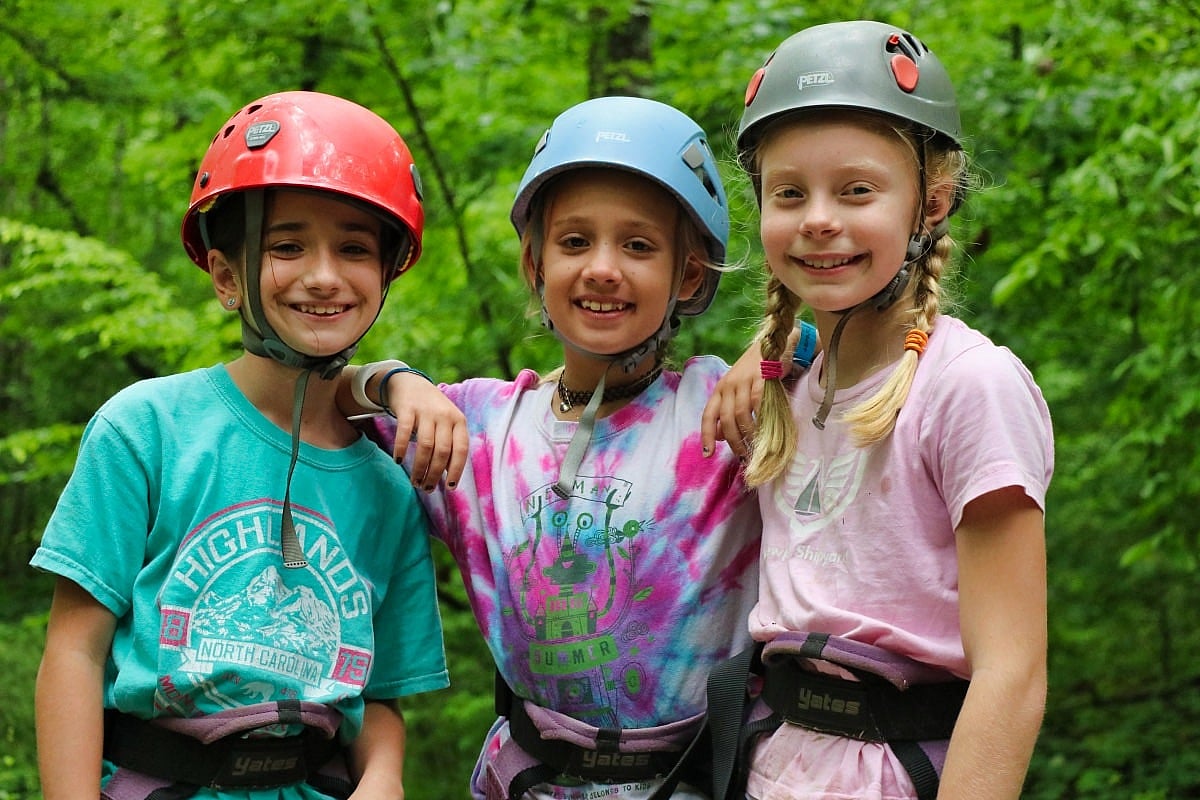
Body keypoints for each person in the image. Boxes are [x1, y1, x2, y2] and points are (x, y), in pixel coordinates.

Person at [341, 95, 786, 800]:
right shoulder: (479, 427)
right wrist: (392, 380)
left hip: (685, 779)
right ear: (535, 263)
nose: (602, 268)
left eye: (638, 246)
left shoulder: (720, 413)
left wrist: (783, 344)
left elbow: (859, 359)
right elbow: (326, 395)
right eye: (575, 242)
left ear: (690, 274)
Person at [31, 91, 449, 800]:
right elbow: (75, 649)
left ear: (385, 273)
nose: (324, 275)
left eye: (353, 248)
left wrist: (384, 775)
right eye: (287, 246)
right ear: (227, 277)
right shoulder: (147, 429)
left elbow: (377, 693)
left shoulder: (387, 485)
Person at [703, 20, 1054, 800]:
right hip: (774, 761)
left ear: (931, 204)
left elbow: (1012, 671)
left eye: (856, 190)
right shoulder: (788, 390)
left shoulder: (969, 387)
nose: (817, 218)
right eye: (789, 193)